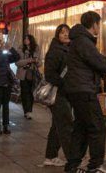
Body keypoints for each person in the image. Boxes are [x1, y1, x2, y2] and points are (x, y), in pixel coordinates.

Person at [64, 12, 106, 173]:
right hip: (83, 89)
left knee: (81, 127)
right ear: (94, 24)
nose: (99, 27)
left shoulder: (80, 40)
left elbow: (97, 59)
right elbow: (97, 61)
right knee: (97, 127)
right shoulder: (83, 41)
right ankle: (95, 165)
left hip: (77, 89)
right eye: (98, 24)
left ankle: (73, 164)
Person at [42, 24, 72, 168]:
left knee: (57, 126)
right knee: (66, 125)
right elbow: (50, 74)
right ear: (57, 35)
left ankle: (50, 156)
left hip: (65, 93)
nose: (65, 35)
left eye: (67, 32)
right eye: (62, 33)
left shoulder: (69, 49)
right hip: (58, 94)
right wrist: (64, 83)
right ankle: (72, 159)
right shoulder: (55, 51)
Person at [0, 38, 20, 135]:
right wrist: (3, 52)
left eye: (0, 43)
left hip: (7, 83)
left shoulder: (4, 55)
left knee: (6, 105)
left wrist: (11, 49)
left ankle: (6, 125)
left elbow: (16, 57)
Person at [17, 34, 40, 120]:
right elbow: (17, 63)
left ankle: (29, 111)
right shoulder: (20, 50)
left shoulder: (36, 49)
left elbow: (39, 62)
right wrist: (29, 60)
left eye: (27, 38)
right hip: (23, 74)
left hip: (32, 74)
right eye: (25, 38)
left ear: (31, 40)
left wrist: (37, 61)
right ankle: (26, 111)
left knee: (31, 93)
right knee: (24, 93)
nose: (25, 40)